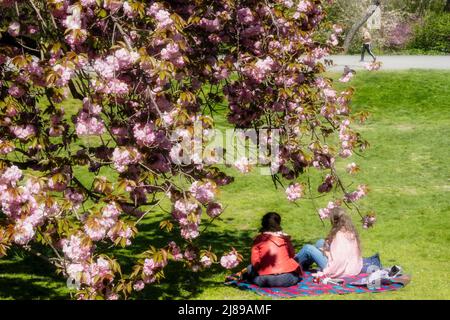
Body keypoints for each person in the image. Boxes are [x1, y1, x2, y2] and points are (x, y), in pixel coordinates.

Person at [295, 207, 363, 278]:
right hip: (352, 267)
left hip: (340, 269)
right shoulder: (350, 232)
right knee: (320, 242)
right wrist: (328, 252)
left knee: (308, 248)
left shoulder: (339, 235)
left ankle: (290, 266)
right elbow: (344, 253)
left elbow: (339, 260)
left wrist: (326, 272)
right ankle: (304, 265)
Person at [241, 212, 303, 287]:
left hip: (265, 279)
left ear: (263, 224)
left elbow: (255, 263)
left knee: (250, 268)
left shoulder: (258, 239)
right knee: (296, 269)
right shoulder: (284, 238)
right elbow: (292, 255)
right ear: (278, 223)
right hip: (286, 278)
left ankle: (250, 278)